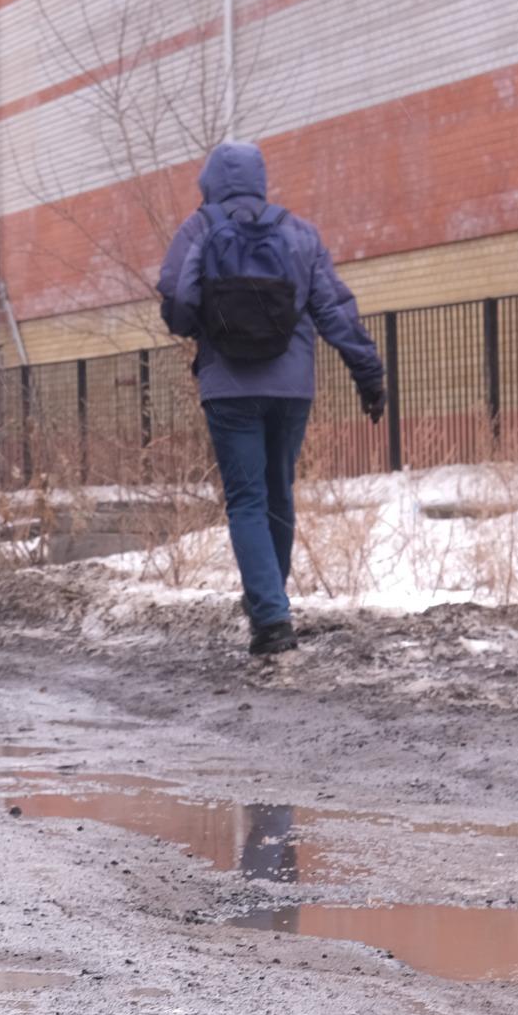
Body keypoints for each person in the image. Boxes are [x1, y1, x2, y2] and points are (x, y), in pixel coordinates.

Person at [156, 141, 385, 657]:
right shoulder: (299, 232)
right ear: (260, 180)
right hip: (290, 387)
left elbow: (177, 293)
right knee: (278, 493)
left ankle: (270, 614)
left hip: (230, 386)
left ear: (210, 181)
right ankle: (269, 600)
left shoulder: (199, 228)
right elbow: (335, 310)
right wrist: (368, 374)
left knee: (246, 500)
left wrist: (197, 327)